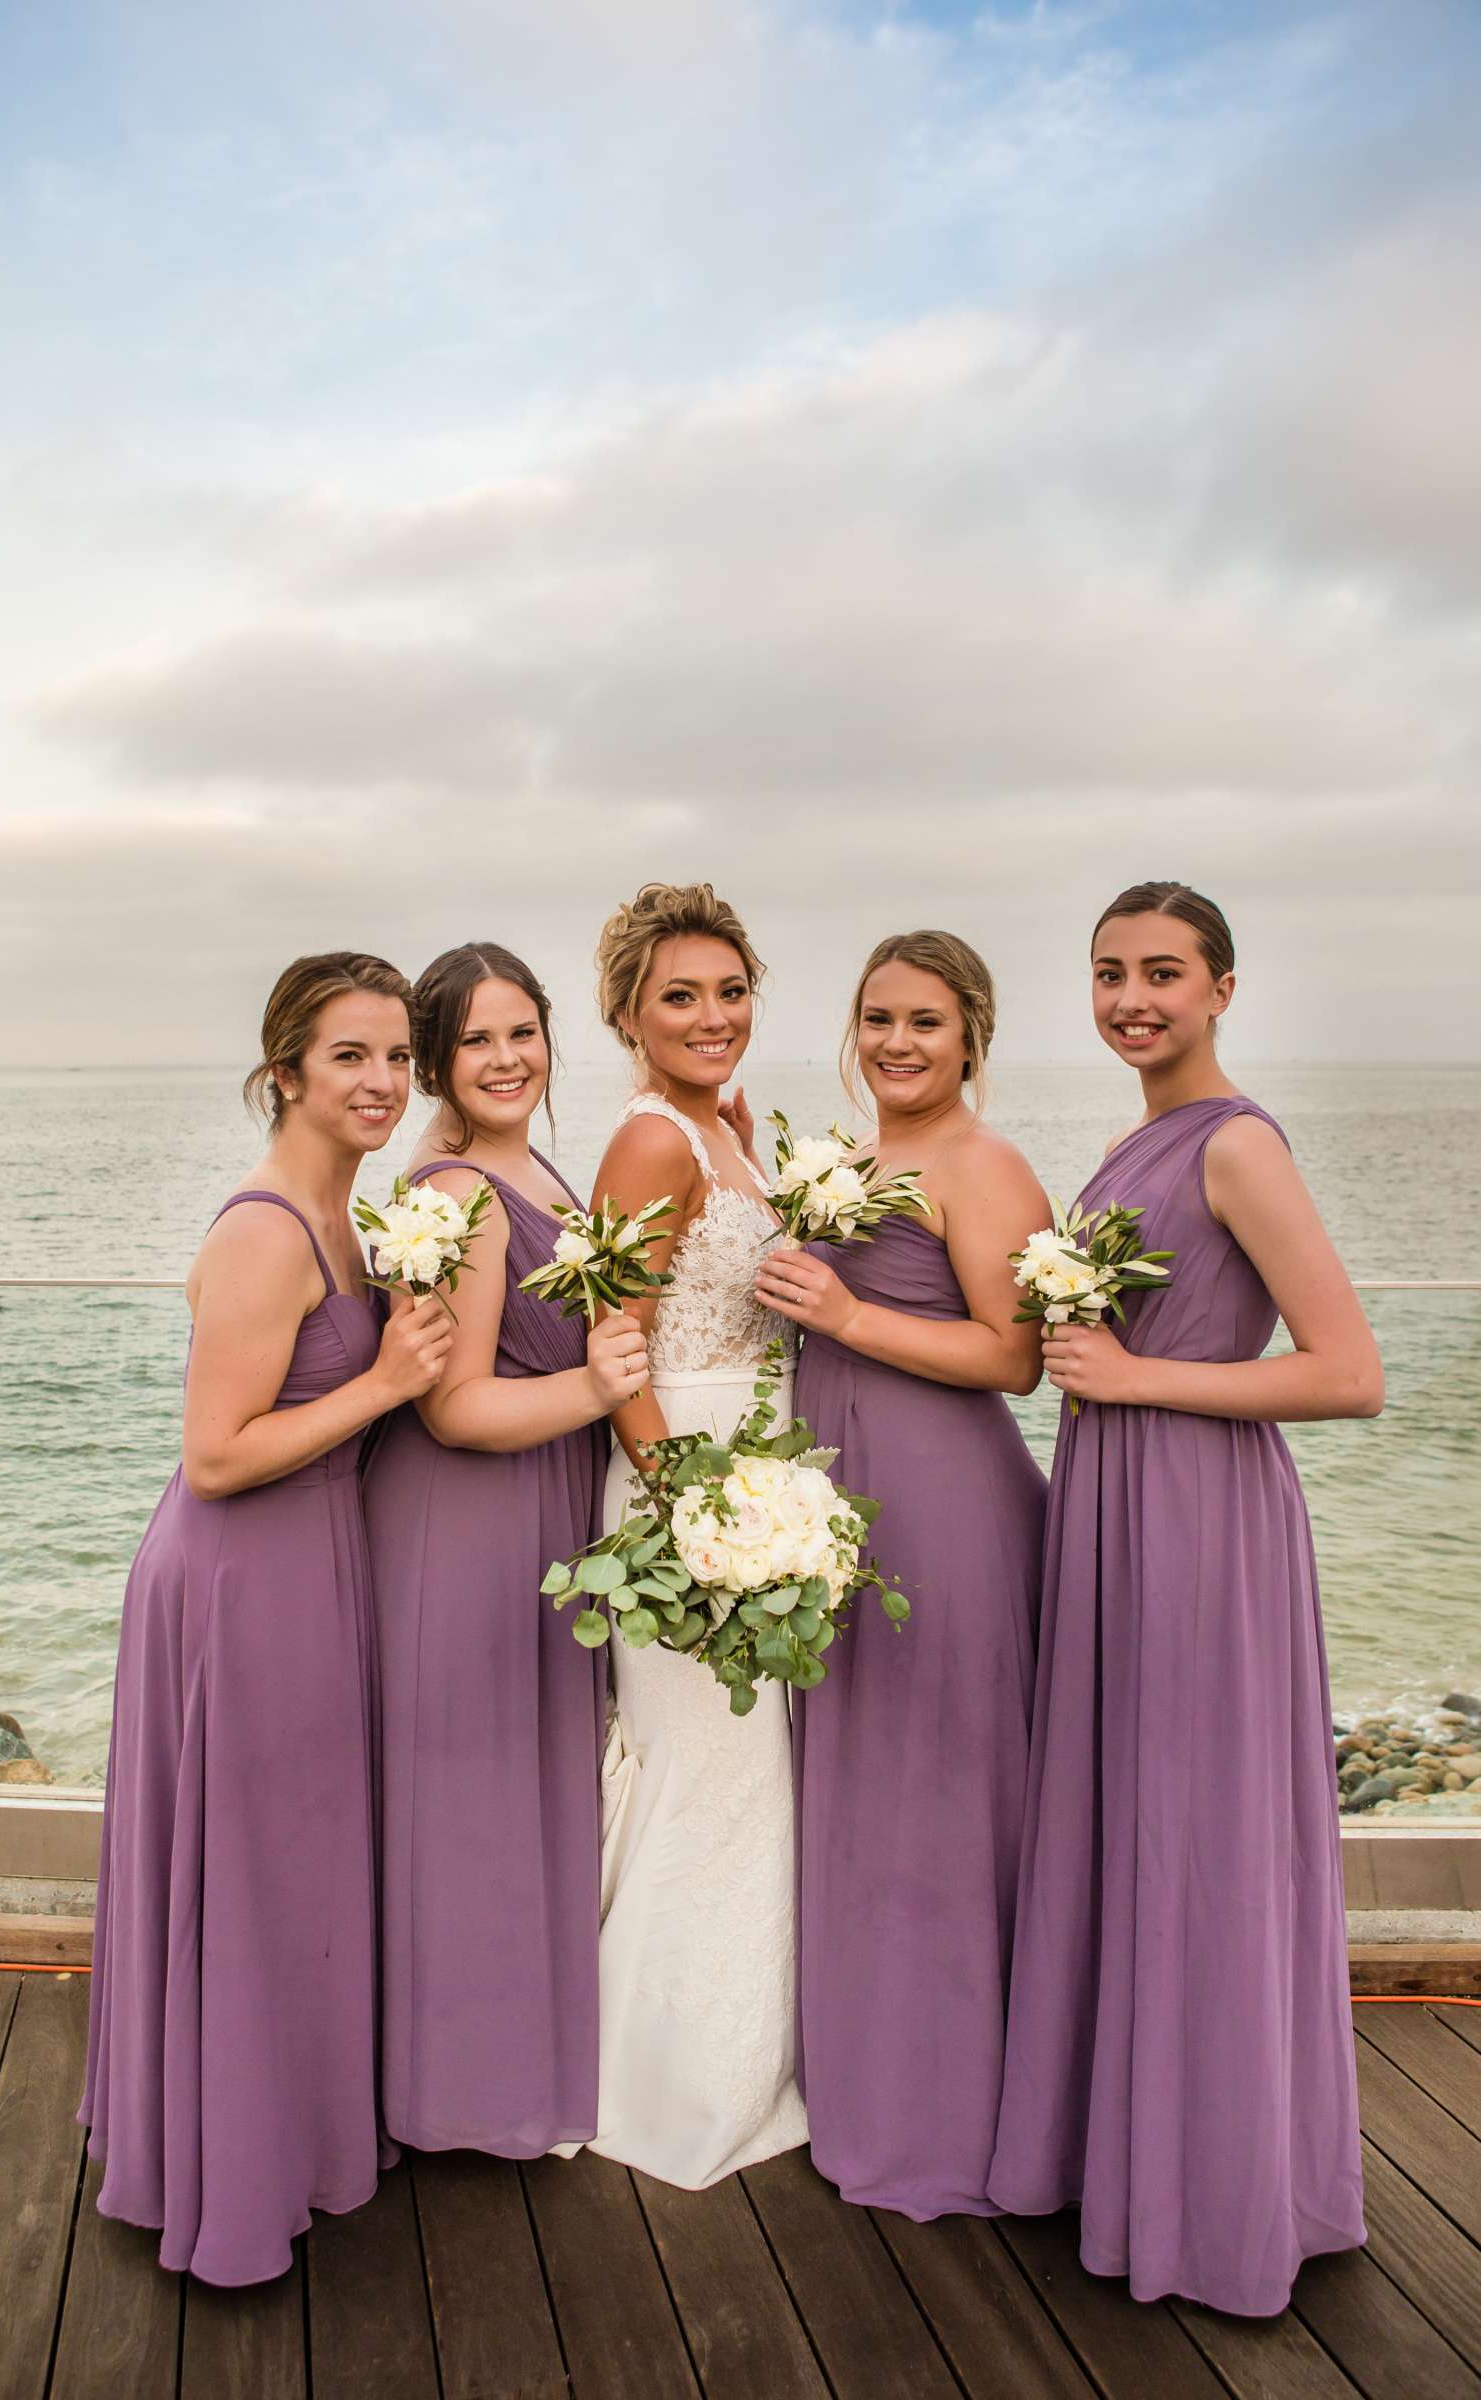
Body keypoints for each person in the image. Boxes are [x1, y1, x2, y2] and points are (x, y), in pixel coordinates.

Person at [987, 880, 1382, 2315]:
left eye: (1162, 972)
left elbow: (1348, 1372)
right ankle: (1134, 2155)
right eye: (1107, 974)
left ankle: (1217, 2198)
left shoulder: (1239, 1147)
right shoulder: (1127, 1142)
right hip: (1111, 1510)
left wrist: (1141, 1376)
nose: (1131, 999)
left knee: (1198, 1839)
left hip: (1203, 1524)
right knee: (1131, 1824)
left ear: (1223, 987)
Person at [81, 952, 452, 2285]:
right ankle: (224, 2176)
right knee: (247, 1870)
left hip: (310, 1567)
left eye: (399, 1056)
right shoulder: (263, 1229)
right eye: (351, 1055)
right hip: (238, 1579)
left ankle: (280, 2133)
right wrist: (389, 1382)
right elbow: (217, 1455)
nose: (380, 1082)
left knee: (289, 1868)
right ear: (285, 1068)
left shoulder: (349, 1220)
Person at [756, 929, 1047, 2220]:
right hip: (846, 1499)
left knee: (939, 1799)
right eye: (877, 1018)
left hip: (946, 1505)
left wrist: (848, 1316)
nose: (895, 1043)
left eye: (924, 1021)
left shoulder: (985, 1167)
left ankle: (951, 2116)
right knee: (860, 1792)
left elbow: (1014, 1359)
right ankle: (862, 2082)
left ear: (971, 1034)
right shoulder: (859, 1159)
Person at [362, 942, 646, 2158]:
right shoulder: (454, 1194)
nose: (505, 1058)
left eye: (521, 1031)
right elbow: (452, 1406)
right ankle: (454, 2093)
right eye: (476, 1040)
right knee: (467, 1803)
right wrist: (594, 1391)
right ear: (437, 1059)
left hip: (537, 1510)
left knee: (522, 1790)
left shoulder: (532, 1170)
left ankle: (505, 2066)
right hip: (462, 1519)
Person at [577, 881, 807, 2186]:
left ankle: (730, 2056)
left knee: (741, 1773)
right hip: (678, 1488)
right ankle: (648, 2084)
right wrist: (691, 1510)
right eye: (681, 996)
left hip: (751, 1476)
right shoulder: (655, 1142)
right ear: (627, 1014)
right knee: (696, 1766)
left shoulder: (731, 1131)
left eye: (730, 991)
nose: (713, 1015)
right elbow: (617, 1347)